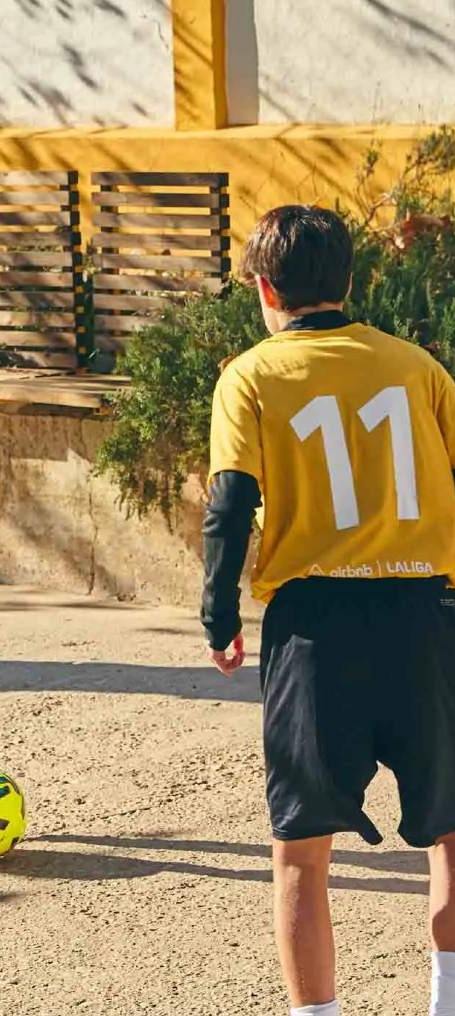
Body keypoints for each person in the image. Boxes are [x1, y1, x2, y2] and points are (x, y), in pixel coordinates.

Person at [202, 205, 455, 1016]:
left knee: (301, 856)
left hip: (315, 631)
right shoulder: (416, 367)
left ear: (263, 288)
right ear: (350, 280)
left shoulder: (251, 375)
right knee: (452, 836)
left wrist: (218, 615)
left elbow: (230, 502)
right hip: (428, 616)